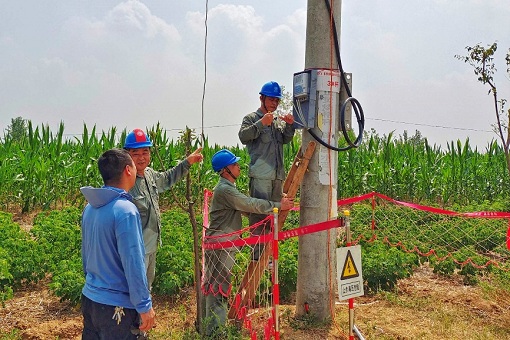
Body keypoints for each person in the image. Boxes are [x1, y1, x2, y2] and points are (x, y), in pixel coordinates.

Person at [202, 149, 294, 337]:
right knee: (218, 290)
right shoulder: (225, 190)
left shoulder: (228, 189)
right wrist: (277, 206)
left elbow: (245, 208)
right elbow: (249, 204)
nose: (238, 167)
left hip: (222, 245)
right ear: (225, 170)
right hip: (220, 246)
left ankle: (212, 329)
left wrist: (267, 211)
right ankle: (216, 333)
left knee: (216, 287)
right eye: (234, 165)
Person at [80, 148, 155, 339]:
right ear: (128, 170)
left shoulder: (90, 207)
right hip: (116, 308)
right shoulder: (125, 210)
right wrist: (144, 306)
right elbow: (133, 262)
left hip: (90, 298)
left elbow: (86, 257)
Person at [124, 128, 203, 290]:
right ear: (127, 155)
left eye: (145, 152)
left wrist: (187, 162)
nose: (141, 157)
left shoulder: (149, 175)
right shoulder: (126, 181)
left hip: (151, 245)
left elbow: (166, 179)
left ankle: (142, 314)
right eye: (136, 153)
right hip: (136, 249)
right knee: (135, 290)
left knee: (146, 287)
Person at [238, 81, 296, 260]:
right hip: (261, 178)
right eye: (271, 99)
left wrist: (290, 126)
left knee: (274, 219)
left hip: (277, 178)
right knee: (259, 217)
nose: (274, 103)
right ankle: (257, 257)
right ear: (262, 98)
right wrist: (261, 123)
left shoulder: (277, 122)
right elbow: (243, 136)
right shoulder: (251, 118)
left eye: (277, 101)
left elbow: (285, 139)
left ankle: (270, 259)